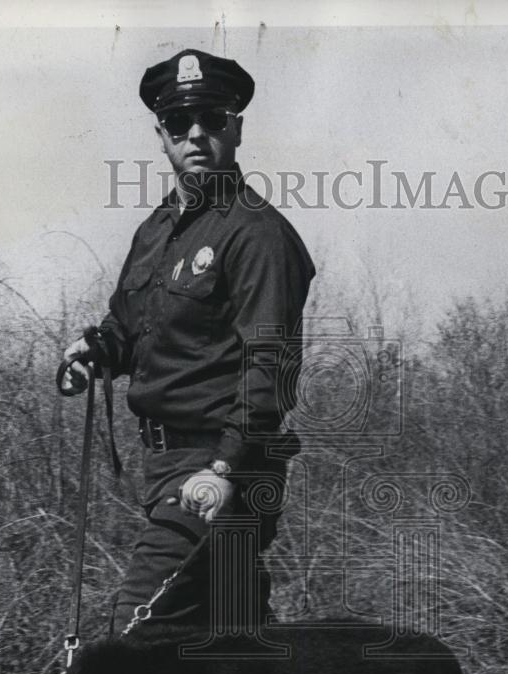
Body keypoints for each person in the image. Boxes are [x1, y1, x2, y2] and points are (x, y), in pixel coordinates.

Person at [61, 47, 315, 640]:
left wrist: (225, 467)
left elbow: (269, 367)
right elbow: (129, 327)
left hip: (222, 466)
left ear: (237, 128)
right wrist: (96, 351)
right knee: (228, 653)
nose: (196, 135)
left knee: (134, 642)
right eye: (180, 123)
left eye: (213, 119)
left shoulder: (257, 234)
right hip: (165, 468)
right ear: (162, 135)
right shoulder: (155, 230)